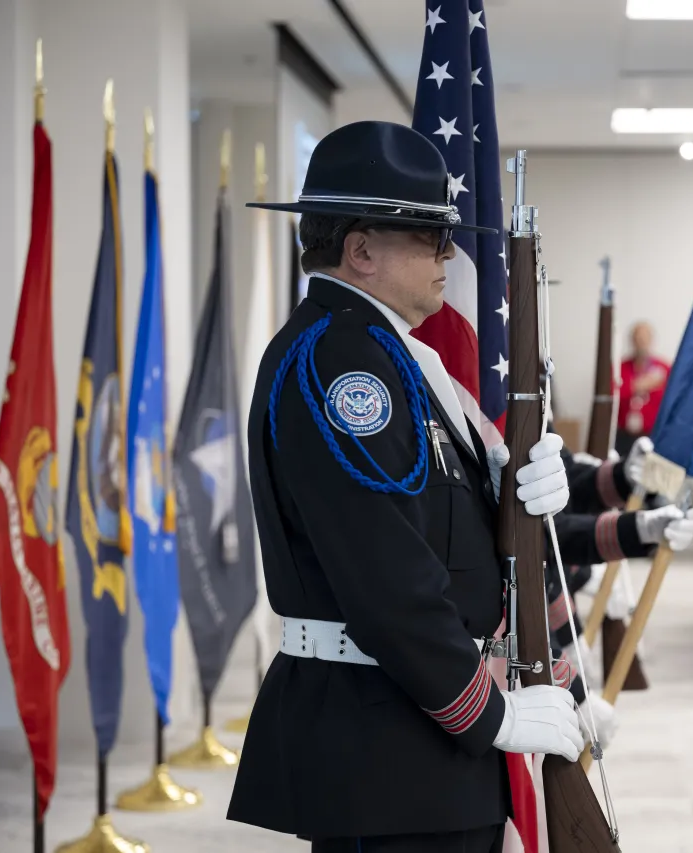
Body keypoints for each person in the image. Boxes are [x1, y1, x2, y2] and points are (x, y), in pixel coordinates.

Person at [228, 121, 585, 852]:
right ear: (361, 250)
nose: (449, 254)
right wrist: (486, 713)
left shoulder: (392, 357)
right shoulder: (340, 364)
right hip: (386, 745)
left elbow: (437, 529)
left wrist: (514, 488)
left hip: (412, 740)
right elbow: (384, 569)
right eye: (429, 236)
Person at [616, 321, 670, 458]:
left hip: (653, 436)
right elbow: (613, 396)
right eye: (638, 338)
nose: (641, 342)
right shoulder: (619, 368)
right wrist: (636, 386)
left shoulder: (664, 369)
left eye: (645, 338)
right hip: (624, 437)